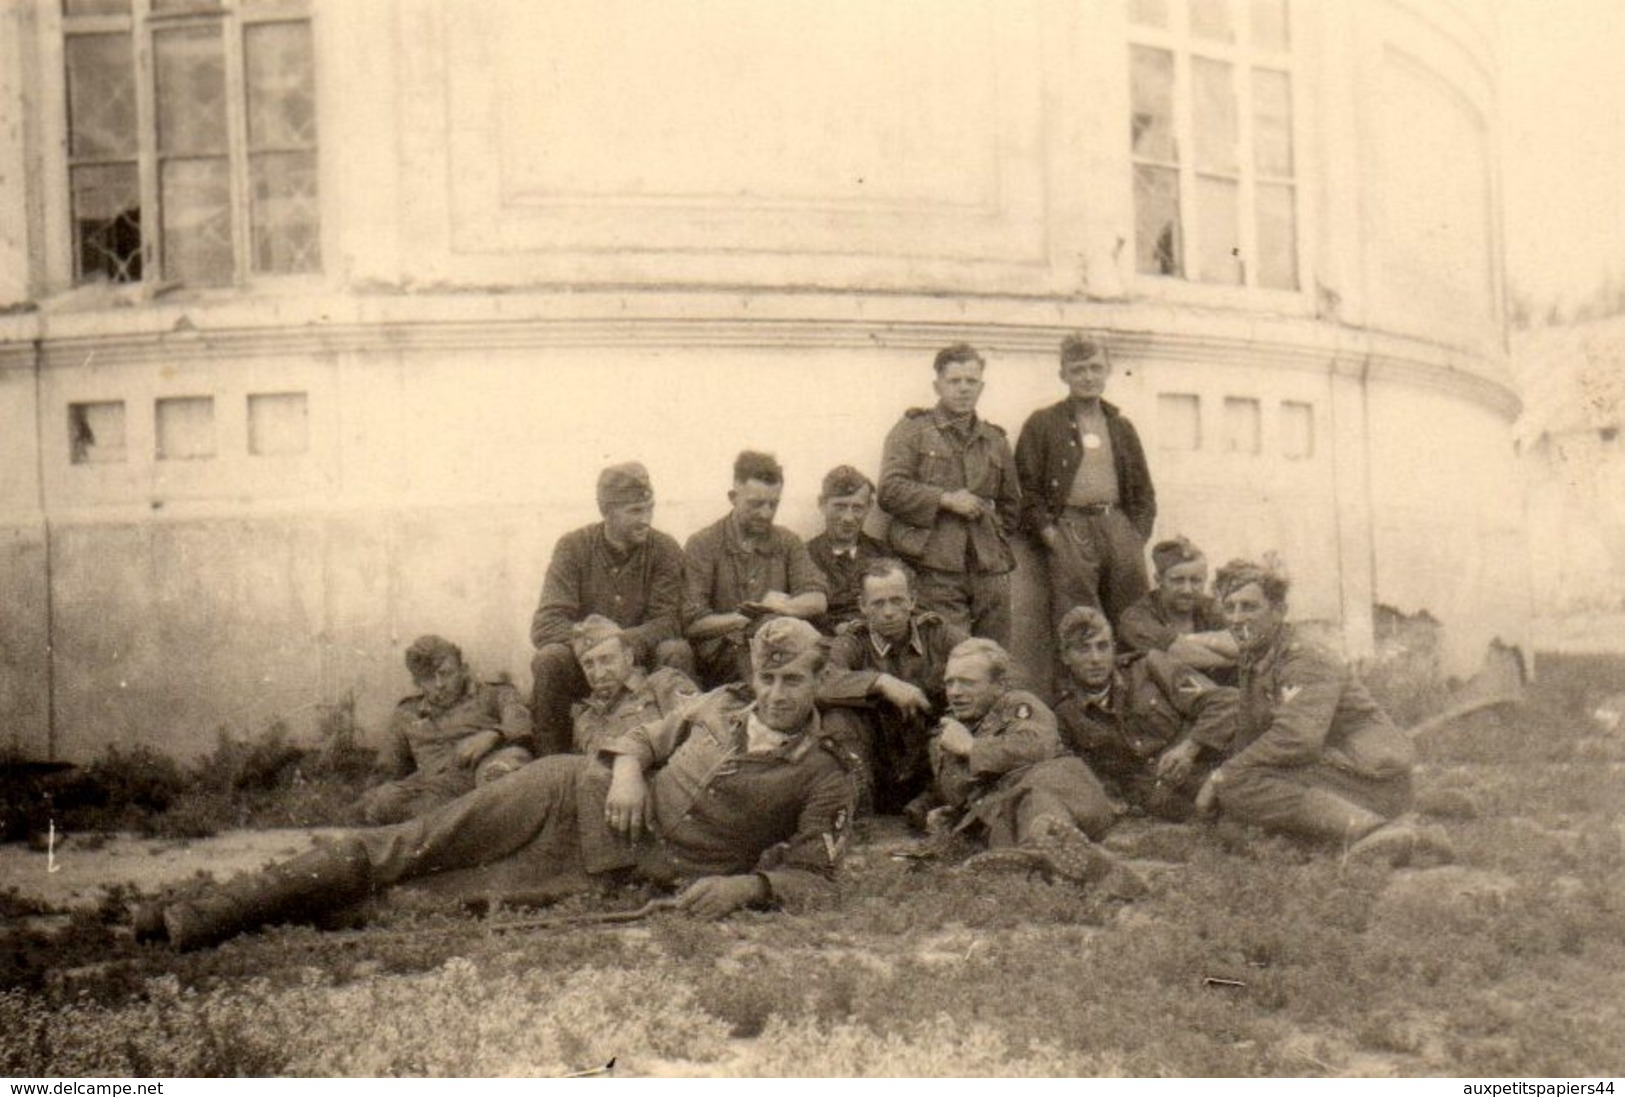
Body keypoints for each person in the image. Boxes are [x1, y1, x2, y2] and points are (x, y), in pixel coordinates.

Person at [141, 619, 861, 951]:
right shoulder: (717, 702)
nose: (771, 692)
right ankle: (200, 915)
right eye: (766, 674)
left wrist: (749, 888)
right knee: (402, 844)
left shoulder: (826, 770)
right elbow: (640, 736)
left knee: (411, 901)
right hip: (560, 790)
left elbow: (817, 876)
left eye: (790, 678)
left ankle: (223, 915)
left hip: (605, 867)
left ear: (818, 679)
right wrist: (632, 770)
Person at [1195, 560, 1451, 864]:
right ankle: (1341, 845)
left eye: (1249, 607)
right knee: (1232, 815)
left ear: (1278, 611)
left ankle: (1374, 831)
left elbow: (1298, 739)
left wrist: (1223, 776)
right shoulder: (1257, 657)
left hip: (1375, 782)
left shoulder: (1305, 657)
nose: (1237, 619)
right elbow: (1252, 741)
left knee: (1237, 786)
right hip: (1333, 774)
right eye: (1230, 608)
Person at [528, 462, 692, 756]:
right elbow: (546, 624)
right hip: (589, 666)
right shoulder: (573, 548)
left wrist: (623, 646)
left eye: (649, 508)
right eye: (635, 511)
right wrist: (598, 646)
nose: (646, 519)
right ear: (607, 511)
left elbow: (668, 621)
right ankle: (550, 762)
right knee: (549, 658)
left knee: (676, 651)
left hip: (641, 665)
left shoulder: (665, 549)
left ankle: (682, 756)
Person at [877, 344, 1020, 644]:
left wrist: (995, 540)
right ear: (937, 385)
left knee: (994, 655)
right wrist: (945, 499)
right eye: (955, 381)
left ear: (981, 386)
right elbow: (889, 490)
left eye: (971, 381)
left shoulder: (995, 439)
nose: (963, 389)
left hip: (989, 567)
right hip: (935, 566)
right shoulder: (912, 430)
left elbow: (1011, 504)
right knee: (949, 651)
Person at [1014, 333, 1156, 632]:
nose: (1088, 377)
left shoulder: (1120, 425)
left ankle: (1130, 679)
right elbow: (1026, 488)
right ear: (1063, 374)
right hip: (1070, 527)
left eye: (1094, 367)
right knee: (1078, 622)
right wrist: (1051, 534)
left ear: (1108, 369)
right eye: (1078, 370)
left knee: (1133, 619)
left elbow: (1144, 490)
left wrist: (1134, 536)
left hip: (1117, 524)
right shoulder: (1043, 423)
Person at [927, 638, 1116, 849]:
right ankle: (1039, 858)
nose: (954, 692)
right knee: (1000, 821)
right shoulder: (949, 730)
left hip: (1066, 796)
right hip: (1006, 813)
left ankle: (1047, 850)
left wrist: (971, 748)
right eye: (949, 682)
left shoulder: (1017, 704)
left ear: (999, 685)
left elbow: (1036, 746)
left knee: (1034, 795)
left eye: (967, 682)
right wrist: (951, 812)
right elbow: (961, 791)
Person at [1052, 606, 1235, 821]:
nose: (1095, 658)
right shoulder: (1066, 714)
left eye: (1102, 647)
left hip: (1207, 770)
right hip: (1160, 803)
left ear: (1113, 648)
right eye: (1083, 649)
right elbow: (1076, 773)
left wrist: (1190, 747)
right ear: (1065, 656)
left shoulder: (1151, 667)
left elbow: (1227, 701)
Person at [819, 557, 970, 816]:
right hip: (876, 766)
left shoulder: (937, 633)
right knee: (838, 717)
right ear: (863, 606)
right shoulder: (853, 642)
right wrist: (880, 682)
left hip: (927, 761)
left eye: (897, 600)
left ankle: (935, 803)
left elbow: (985, 661)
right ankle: (857, 807)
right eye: (878, 603)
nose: (888, 612)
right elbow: (822, 681)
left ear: (912, 601)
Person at [683, 451, 828, 688]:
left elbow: (817, 600)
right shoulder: (703, 544)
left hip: (779, 650)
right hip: (723, 659)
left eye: (773, 504)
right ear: (733, 497)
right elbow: (692, 624)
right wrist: (744, 620)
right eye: (756, 504)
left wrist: (778, 607)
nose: (766, 513)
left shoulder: (788, 541)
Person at [358, 636, 534, 825]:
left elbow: (522, 725)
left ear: (463, 670)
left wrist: (493, 735)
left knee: (508, 763)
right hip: (437, 792)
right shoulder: (406, 714)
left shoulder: (496, 694)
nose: (439, 684)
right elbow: (386, 769)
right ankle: (466, 827)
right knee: (386, 799)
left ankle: (459, 826)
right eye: (428, 678)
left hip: (483, 775)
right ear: (417, 682)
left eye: (446, 673)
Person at [566, 615, 701, 757]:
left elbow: (705, 732)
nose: (599, 674)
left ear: (628, 657)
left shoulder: (664, 684)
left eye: (606, 660)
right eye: (588, 664)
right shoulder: (585, 719)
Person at [1117, 536, 1237, 679]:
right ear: (1159, 580)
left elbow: (1239, 642)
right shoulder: (1136, 617)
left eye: (1196, 580)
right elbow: (1180, 654)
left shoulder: (1209, 607)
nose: (1187, 590)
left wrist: (1189, 639)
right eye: (1178, 580)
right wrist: (1233, 659)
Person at [806, 465, 888, 633]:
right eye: (840, 506)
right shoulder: (804, 556)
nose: (848, 518)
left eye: (857, 508)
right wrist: (835, 627)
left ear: (869, 507)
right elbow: (800, 611)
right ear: (822, 504)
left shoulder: (883, 554)